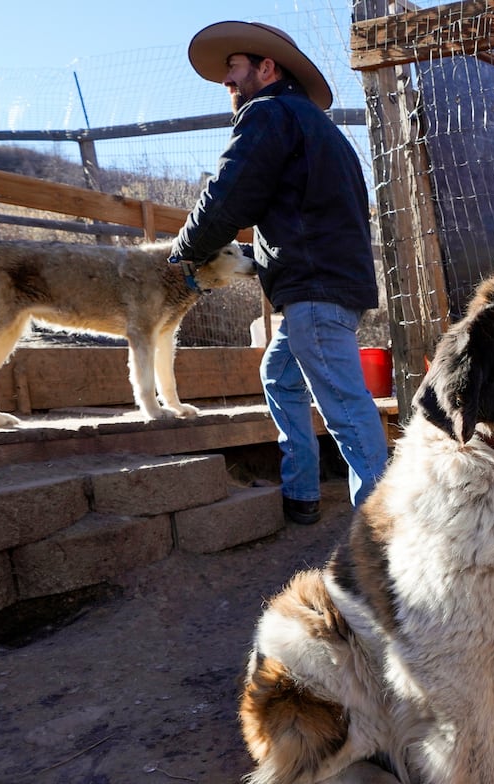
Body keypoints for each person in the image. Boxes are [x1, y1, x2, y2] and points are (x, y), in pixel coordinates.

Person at [170, 21, 388, 523]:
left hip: (314, 288)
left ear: (267, 68)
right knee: (279, 374)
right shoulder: (315, 126)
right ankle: (302, 494)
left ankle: (388, 536)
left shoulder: (267, 114)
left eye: (235, 67)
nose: (228, 81)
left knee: (346, 408)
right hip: (326, 283)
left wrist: (184, 250)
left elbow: (228, 193)